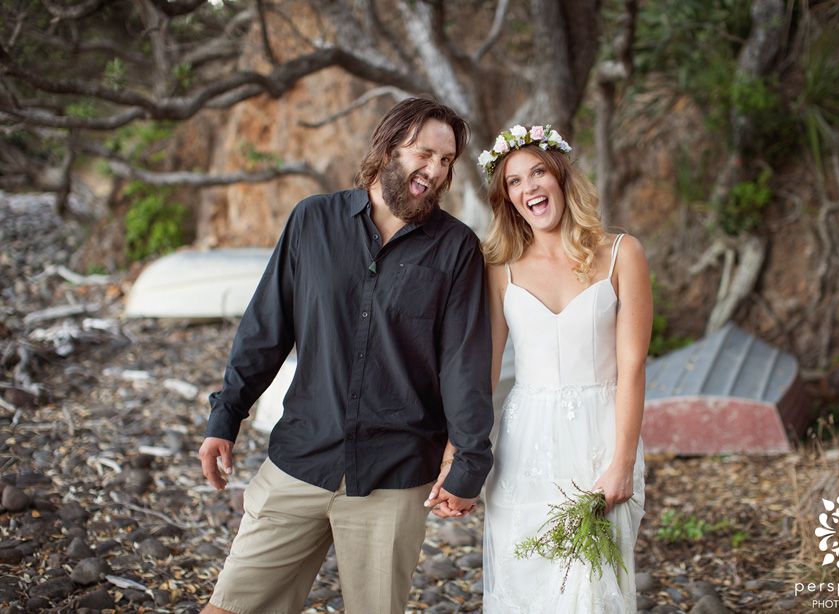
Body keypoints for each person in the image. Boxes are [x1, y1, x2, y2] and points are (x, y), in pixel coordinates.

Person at [198, 98, 493, 614]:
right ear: (387, 146)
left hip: (395, 476)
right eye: (424, 153)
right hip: (300, 459)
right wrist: (225, 415)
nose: (434, 171)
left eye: (446, 161)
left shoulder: (457, 249)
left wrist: (468, 462)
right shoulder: (313, 220)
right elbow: (266, 329)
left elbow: (462, 365)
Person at [431, 124, 651, 612]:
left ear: (562, 177)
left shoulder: (621, 253)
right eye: (514, 181)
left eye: (538, 173)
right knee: (524, 578)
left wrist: (622, 463)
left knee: (593, 587)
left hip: (601, 435)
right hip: (525, 440)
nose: (528, 187)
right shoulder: (499, 267)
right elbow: (483, 371)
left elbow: (633, 366)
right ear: (506, 198)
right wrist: (455, 452)